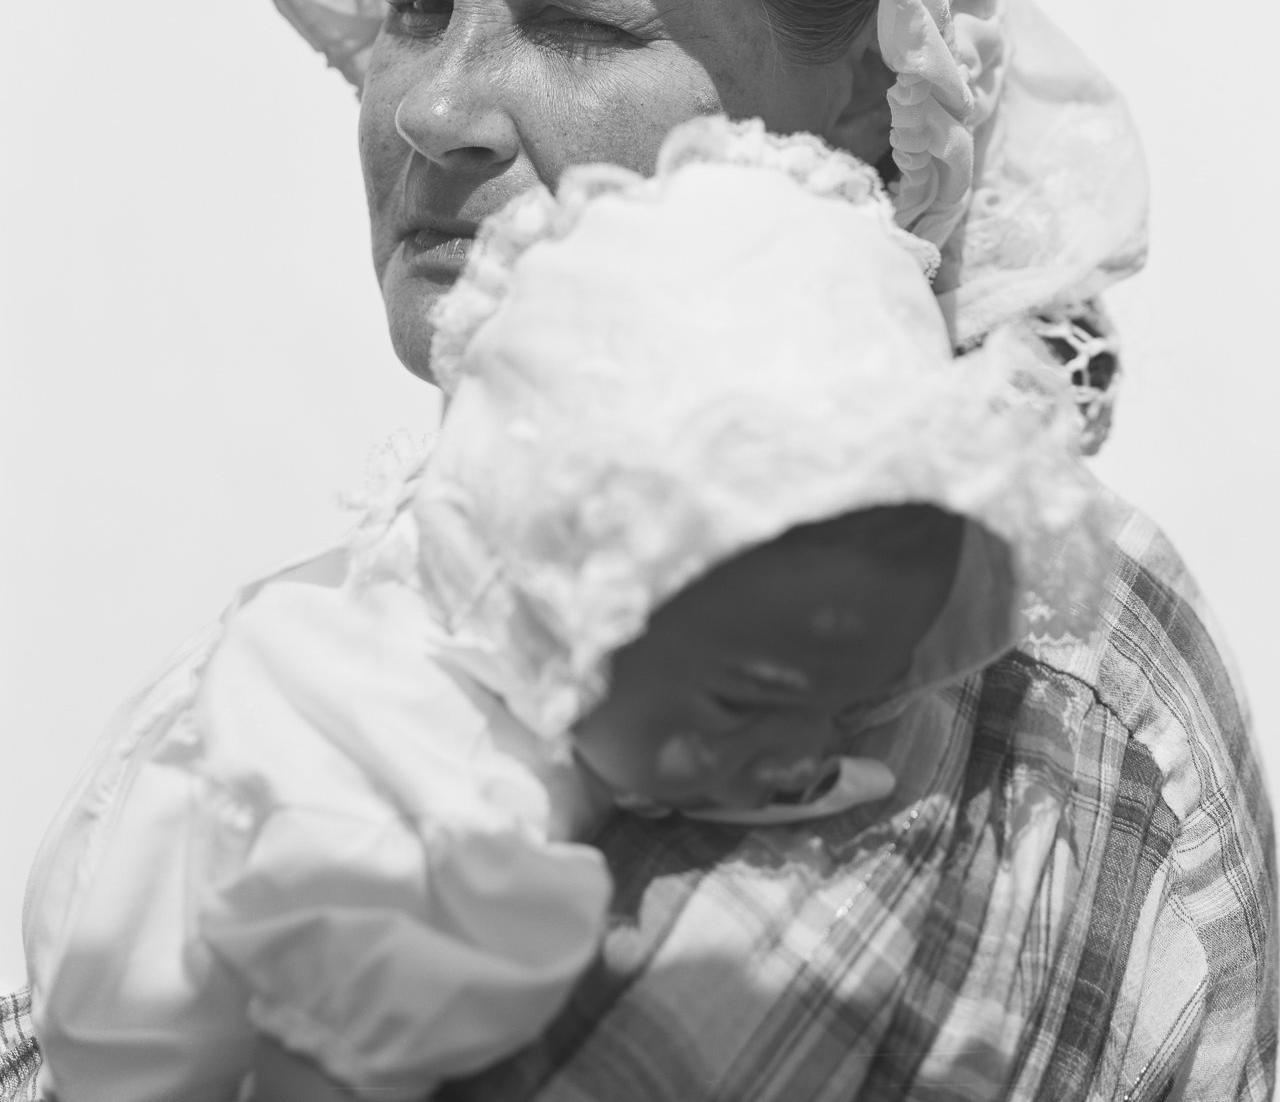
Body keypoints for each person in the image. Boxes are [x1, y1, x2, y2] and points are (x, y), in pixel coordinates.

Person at [2, 0, 1274, 1102]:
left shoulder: (973, 661)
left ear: (866, 109)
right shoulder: (400, 619)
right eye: (414, 7)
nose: (434, 107)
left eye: (576, 21)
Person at [21, 118, 1102, 1102]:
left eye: (846, 703)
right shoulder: (392, 782)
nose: (800, 753)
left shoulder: (639, 684)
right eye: (748, 700)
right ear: (567, 604)